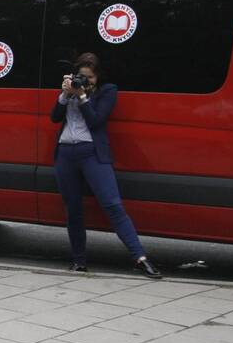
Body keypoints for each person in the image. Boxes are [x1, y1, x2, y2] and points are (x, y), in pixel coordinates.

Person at [51, 53, 161, 278]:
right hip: (66, 153)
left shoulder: (107, 91)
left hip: (92, 153)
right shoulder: (70, 90)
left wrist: (82, 96)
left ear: (98, 76)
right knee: (73, 210)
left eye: (89, 77)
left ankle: (140, 258)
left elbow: (96, 120)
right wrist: (65, 94)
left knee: (112, 205)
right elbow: (54, 117)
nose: (84, 80)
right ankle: (79, 261)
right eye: (81, 76)